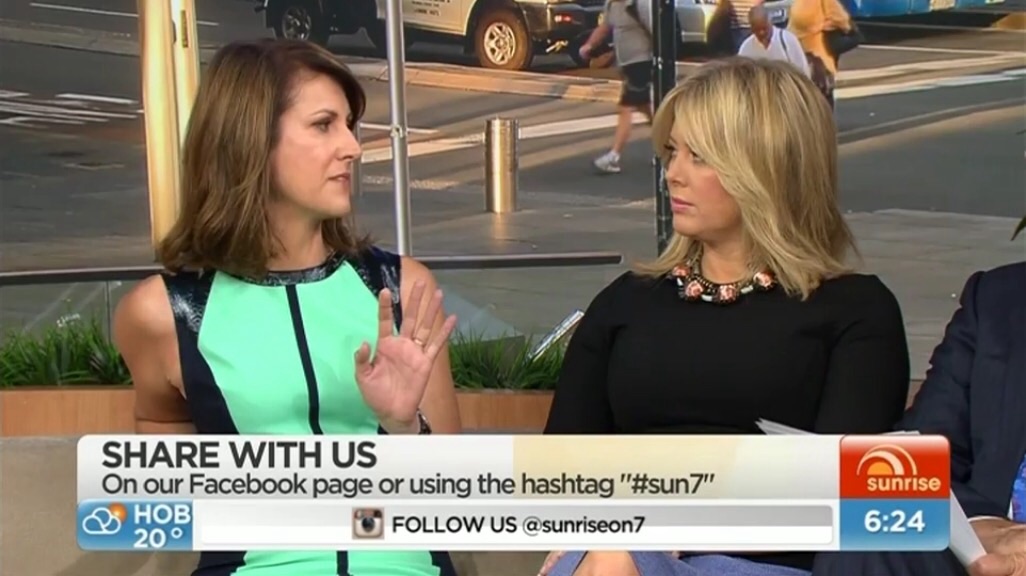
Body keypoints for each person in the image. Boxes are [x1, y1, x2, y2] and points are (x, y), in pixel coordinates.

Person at [537, 57, 911, 576]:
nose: (673, 173)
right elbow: (561, 476)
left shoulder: (854, 312)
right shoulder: (626, 303)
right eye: (672, 152)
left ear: (766, 168)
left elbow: (842, 492)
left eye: (700, 157)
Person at [112, 38, 462, 576]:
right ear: (251, 140)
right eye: (324, 125)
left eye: (350, 125)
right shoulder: (163, 314)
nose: (352, 147)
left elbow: (452, 503)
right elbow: (164, 481)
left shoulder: (399, 288)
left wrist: (404, 428)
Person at [812, 260, 1026, 576]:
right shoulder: (1001, 297)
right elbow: (923, 454)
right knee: (872, 527)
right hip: (986, 549)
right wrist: (984, 526)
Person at [578, 0, 653, 174]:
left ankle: (614, 156)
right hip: (627, 64)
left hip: (641, 62)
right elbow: (605, 26)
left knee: (625, 108)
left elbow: (656, 32)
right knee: (644, 107)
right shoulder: (612, 4)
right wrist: (589, 45)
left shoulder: (638, 4)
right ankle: (668, 146)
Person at [787, 0, 856, 107]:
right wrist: (826, 25)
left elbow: (791, 29)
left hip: (803, 56)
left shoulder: (797, 4)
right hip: (820, 54)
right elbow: (842, 19)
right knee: (824, 98)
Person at [738, 6, 811, 78]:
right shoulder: (746, 48)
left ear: (769, 21)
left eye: (764, 28)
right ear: (751, 29)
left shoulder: (788, 40)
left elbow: (803, 69)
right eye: (757, 30)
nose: (762, 33)